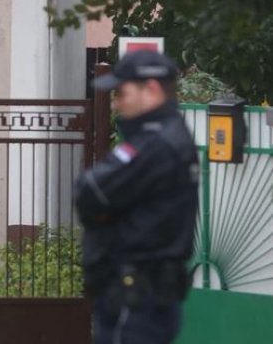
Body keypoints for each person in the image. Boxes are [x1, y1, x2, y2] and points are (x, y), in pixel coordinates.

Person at [75, 50, 199, 344]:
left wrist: (104, 213)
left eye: (122, 93)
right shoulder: (165, 137)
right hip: (142, 293)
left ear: (152, 90)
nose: (116, 103)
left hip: (136, 298)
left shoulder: (156, 145)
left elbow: (89, 192)